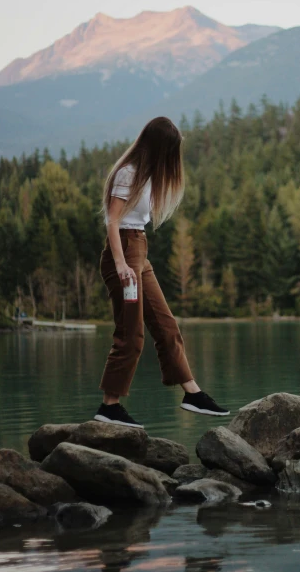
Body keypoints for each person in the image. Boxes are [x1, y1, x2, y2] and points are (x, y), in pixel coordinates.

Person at [94, 116, 229, 428]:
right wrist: (121, 265)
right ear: (157, 146)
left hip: (140, 251)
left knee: (167, 326)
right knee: (131, 335)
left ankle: (192, 393)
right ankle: (109, 406)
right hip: (125, 253)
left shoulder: (148, 174)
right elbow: (112, 220)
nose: (172, 158)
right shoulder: (128, 173)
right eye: (169, 150)